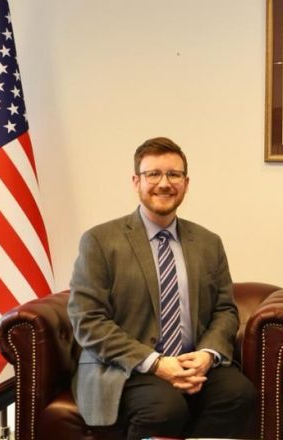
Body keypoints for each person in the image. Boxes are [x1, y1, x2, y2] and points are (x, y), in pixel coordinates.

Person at [68, 137, 255, 440]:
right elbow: (87, 320)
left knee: (239, 394)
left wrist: (207, 355)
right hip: (124, 367)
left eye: (174, 174)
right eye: (153, 174)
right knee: (164, 408)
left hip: (193, 363)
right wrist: (155, 363)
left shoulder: (208, 242)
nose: (164, 183)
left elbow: (225, 310)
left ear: (186, 182)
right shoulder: (100, 241)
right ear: (136, 181)